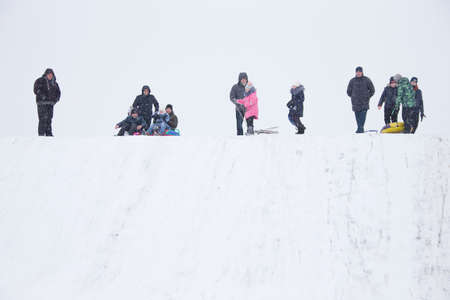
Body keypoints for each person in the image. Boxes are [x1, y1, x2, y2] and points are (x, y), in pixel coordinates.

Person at [346, 66, 375, 133]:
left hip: (364, 102)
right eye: (357, 72)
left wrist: (367, 96)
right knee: (358, 118)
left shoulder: (367, 80)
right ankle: (360, 129)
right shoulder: (352, 81)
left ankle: (360, 129)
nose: (358, 73)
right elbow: (348, 91)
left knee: (362, 117)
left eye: (360, 72)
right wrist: (353, 96)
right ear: (355, 72)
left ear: (362, 72)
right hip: (355, 103)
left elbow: (372, 90)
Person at [33, 68, 61, 136]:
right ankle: (41, 134)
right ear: (46, 74)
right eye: (49, 74)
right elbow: (36, 89)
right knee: (43, 119)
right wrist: (42, 96)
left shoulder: (54, 83)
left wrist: (55, 100)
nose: (50, 76)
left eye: (51, 75)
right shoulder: (40, 80)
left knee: (49, 119)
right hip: (42, 103)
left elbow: (58, 93)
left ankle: (49, 134)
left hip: (50, 104)